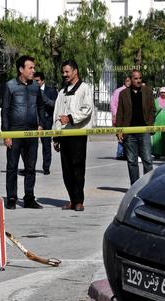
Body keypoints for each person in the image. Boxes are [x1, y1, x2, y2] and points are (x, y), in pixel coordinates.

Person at [1, 55, 45, 210]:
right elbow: (5, 111)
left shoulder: (35, 87)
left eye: (34, 67)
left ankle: (29, 198)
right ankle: (12, 198)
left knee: (31, 166)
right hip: (15, 132)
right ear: (21, 69)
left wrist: (40, 124)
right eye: (30, 67)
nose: (33, 70)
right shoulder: (10, 86)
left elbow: (40, 106)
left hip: (32, 132)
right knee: (12, 166)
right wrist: (6, 133)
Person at [52, 60, 93, 212]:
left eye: (67, 72)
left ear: (75, 71)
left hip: (78, 134)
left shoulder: (84, 89)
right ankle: (71, 199)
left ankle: (79, 201)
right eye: (63, 72)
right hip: (64, 135)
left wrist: (70, 117)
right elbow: (56, 114)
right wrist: (55, 136)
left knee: (77, 168)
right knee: (66, 170)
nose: (64, 75)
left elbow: (87, 109)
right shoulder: (62, 92)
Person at [116, 70, 155, 185]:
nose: (138, 80)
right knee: (132, 161)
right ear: (131, 79)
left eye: (140, 78)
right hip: (129, 132)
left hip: (144, 131)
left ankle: (149, 186)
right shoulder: (123, 93)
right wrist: (119, 131)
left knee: (147, 160)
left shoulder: (147, 91)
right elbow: (120, 113)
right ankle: (135, 187)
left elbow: (153, 110)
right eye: (136, 78)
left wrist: (150, 124)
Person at [34, 71, 58, 175]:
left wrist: (45, 98)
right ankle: (29, 167)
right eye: (34, 81)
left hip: (47, 121)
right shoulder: (31, 90)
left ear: (42, 80)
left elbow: (55, 105)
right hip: (34, 121)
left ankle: (46, 167)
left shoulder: (51, 91)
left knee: (46, 145)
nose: (35, 82)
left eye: (37, 81)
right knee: (31, 146)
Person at [110, 76, 131, 160]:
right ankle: (120, 153)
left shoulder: (132, 91)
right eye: (127, 81)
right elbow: (113, 104)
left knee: (128, 136)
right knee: (120, 135)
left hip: (128, 117)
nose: (128, 82)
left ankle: (127, 153)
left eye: (129, 81)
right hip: (120, 117)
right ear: (124, 82)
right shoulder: (118, 91)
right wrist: (115, 115)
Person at [151, 87, 165, 159]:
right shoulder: (156, 101)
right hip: (157, 122)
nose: (163, 94)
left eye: (164, 92)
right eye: (161, 92)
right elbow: (153, 111)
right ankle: (157, 153)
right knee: (157, 138)